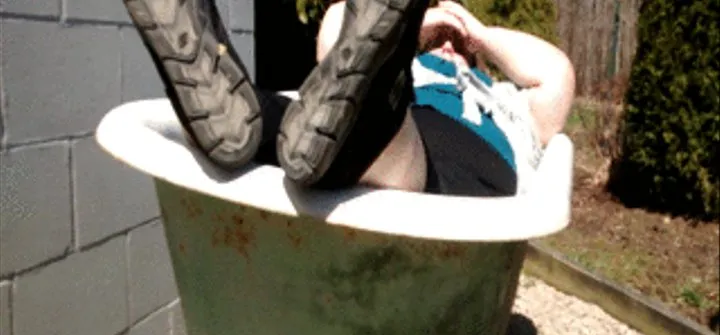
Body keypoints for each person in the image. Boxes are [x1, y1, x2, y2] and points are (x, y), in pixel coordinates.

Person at [122, 0, 575, 197]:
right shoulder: (412, 72)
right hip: (384, 112)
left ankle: (276, 129)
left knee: (380, 126)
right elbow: (340, 32)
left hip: (470, 161)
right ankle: (242, 121)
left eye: (457, 48)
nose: (447, 46)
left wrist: (473, 31)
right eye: (439, 42)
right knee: (311, 114)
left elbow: (557, 75)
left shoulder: (500, 100)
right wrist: (417, 25)